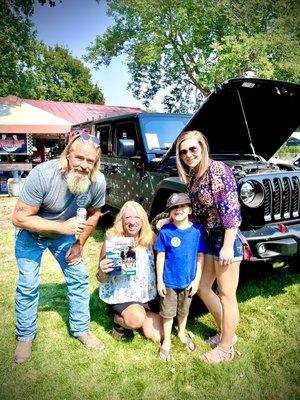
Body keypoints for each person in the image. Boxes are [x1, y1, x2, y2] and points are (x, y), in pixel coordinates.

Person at [12, 132, 106, 364]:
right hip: (31, 233)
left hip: (64, 236)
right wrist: (62, 228)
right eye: (79, 158)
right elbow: (19, 218)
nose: (84, 165)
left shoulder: (97, 182)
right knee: (28, 284)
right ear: (67, 155)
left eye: (90, 161)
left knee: (79, 278)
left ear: (96, 163)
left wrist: (79, 243)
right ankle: (25, 336)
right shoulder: (43, 174)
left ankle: (81, 329)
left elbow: (94, 215)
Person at [175, 130, 243, 363]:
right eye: (183, 152)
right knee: (203, 287)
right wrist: (169, 218)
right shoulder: (195, 178)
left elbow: (232, 211)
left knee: (226, 294)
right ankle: (228, 334)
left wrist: (226, 246)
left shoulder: (218, 170)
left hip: (226, 237)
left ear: (203, 147)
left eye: (193, 149)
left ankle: (225, 349)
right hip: (209, 237)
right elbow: (197, 214)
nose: (188, 154)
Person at [96, 201, 163, 343]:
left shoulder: (150, 237)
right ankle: (119, 319)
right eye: (128, 218)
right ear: (121, 221)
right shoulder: (114, 240)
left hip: (146, 294)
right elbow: (102, 279)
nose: (132, 222)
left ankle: (138, 313)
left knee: (157, 336)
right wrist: (102, 270)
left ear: (143, 220)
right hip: (122, 294)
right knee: (136, 319)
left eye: (137, 218)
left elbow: (162, 261)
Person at [155, 193, 207, 362]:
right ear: (169, 213)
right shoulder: (165, 232)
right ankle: (167, 340)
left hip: (188, 281)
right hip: (169, 281)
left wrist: (197, 280)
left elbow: (200, 257)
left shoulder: (197, 231)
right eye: (174, 208)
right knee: (168, 313)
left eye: (182, 206)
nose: (178, 210)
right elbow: (160, 256)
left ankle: (182, 333)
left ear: (190, 209)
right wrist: (160, 281)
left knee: (184, 311)